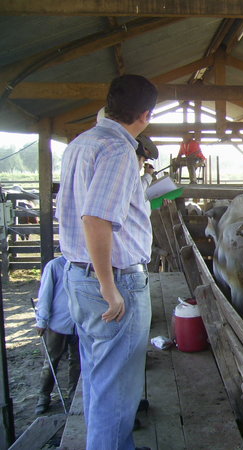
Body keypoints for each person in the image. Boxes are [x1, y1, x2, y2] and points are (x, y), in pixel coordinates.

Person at [56, 74, 157, 450]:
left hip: (77, 275)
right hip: (112, 281)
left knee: (102, 376)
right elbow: (95, 218)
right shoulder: (118, 151)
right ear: (145, 114)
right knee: (118, 387)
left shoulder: (81, 143)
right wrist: (109, 287)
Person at [34, 255, 80, 415]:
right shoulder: (54, 266)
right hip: (57, 323)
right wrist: (42, 320)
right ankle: (43, 396)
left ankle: (73, 394)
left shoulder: (84, 264)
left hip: (78, 323)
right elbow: (45, 294)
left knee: (77, 361)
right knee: (51, 361)